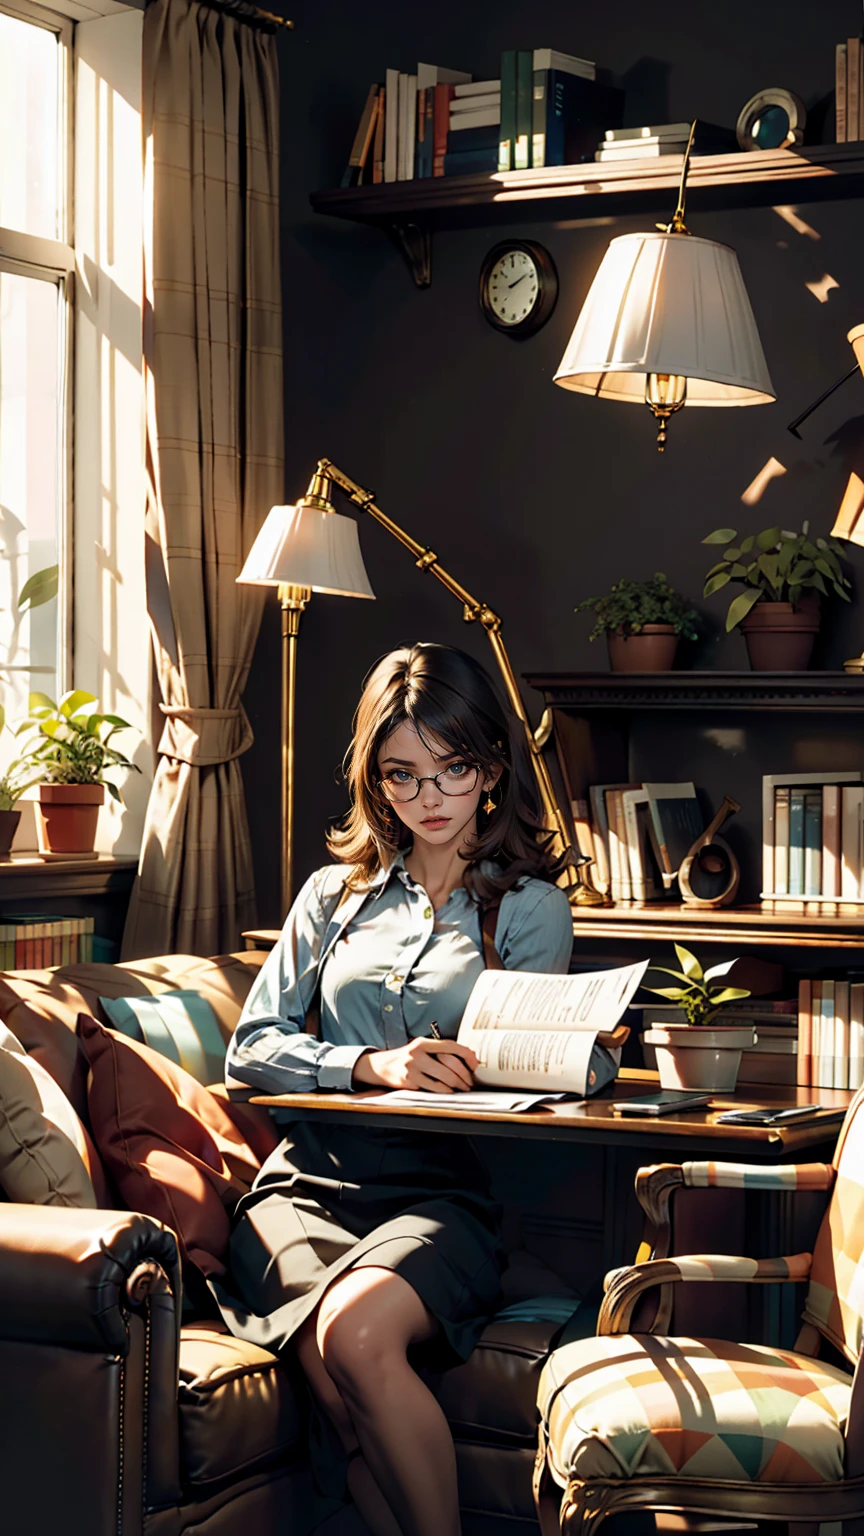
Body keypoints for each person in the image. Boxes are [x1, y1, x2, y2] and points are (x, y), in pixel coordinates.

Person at [221, 642, 613, 1536]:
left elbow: (532, 1061)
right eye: (402, 775)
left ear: (492, 768)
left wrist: (574, 1056)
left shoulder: (527, 907)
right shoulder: (333, 896)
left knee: (352, 1338)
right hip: (301, 1188)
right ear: (374, 779)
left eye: (453, 769)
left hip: (440, 1194)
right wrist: (368, 1065)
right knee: (333, 1376)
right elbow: (251, 1046)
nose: (429, 799)